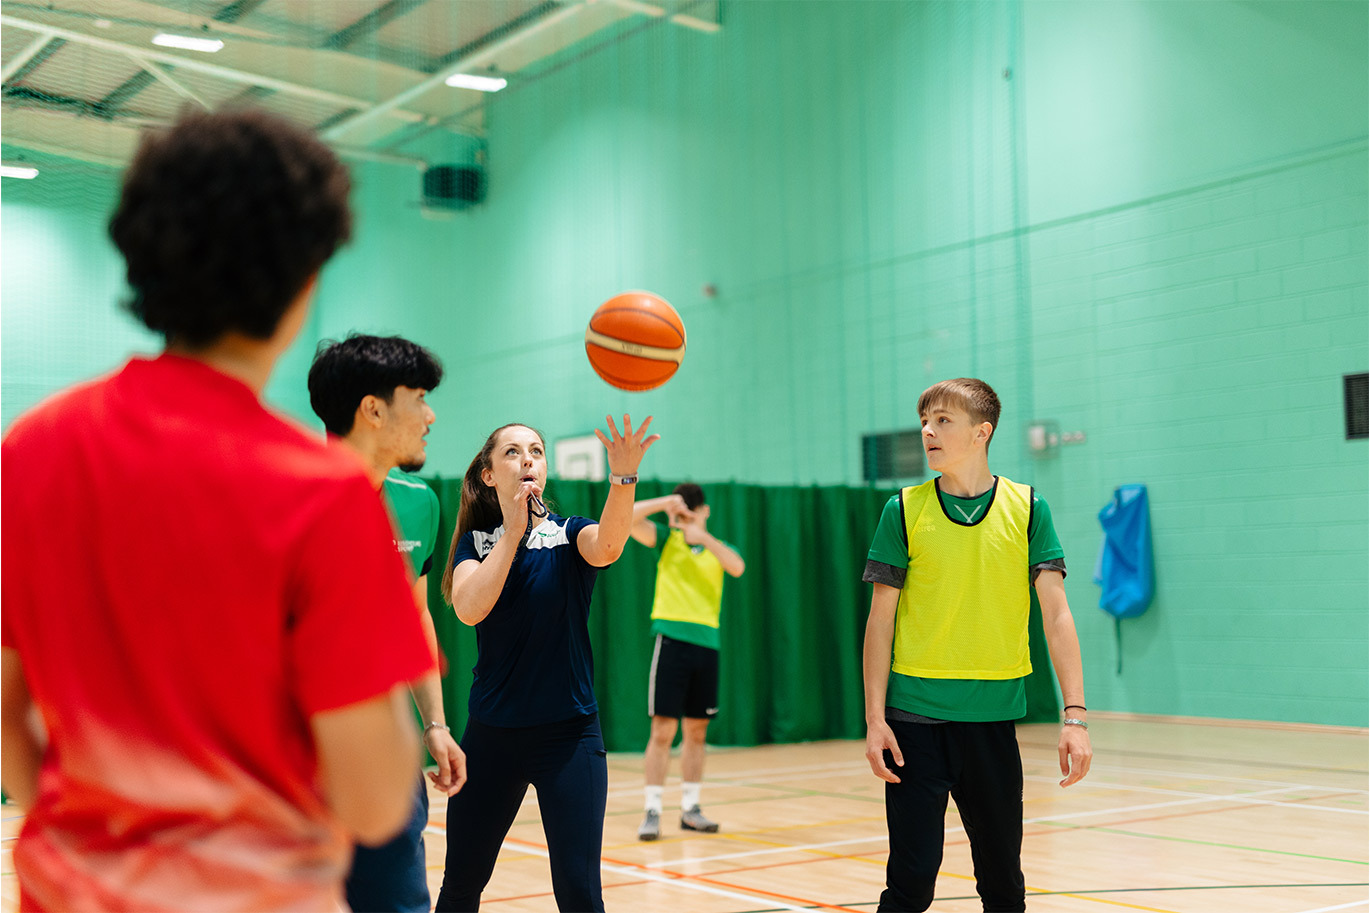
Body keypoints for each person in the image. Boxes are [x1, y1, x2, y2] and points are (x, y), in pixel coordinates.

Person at [0, 109, 433, 911]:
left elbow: (6, 713)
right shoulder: (325, 493)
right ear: (306, 280)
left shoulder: (31, 449)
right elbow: (375, 800)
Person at [861, 378, 1092, 913]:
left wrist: (1074, 716)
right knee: (911, 885)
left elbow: (1056, 615)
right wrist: (875, 719)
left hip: (992, 725)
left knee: (1004, 887)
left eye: (943, 420)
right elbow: (879, 622)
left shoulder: (1028, 508)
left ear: (981, 432)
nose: (927, 431)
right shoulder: (903, 509)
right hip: (914, 725)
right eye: (925, 420)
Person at [434, 416, 657, 913]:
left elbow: (610, 545)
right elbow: (470, 607)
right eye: (511, 452)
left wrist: (623, 477)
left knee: (579, 893)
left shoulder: (569, 534)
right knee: (460, 886)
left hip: (569, 737)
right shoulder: (476, 545)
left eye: (535, 450)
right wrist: (512, 532)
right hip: (492, 737)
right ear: (489, 475)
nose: (527, 459)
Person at [308, 333, 468, 913]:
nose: (431, 415)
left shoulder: (419, 501)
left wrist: (436, 725)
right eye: (419, 397)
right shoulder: (277, 492)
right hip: (292, 762)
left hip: (389, 752)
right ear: (373, 410)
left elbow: (416, 615)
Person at [629, 484, 745, 840]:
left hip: (706, 645)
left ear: (705, 511)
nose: (686, 518)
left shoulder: (719, 548)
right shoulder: (665, 541)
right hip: (672, 642)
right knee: (663, 731)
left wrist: (703, 536)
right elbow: (629, 519)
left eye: (693, 511)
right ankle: (652, 811)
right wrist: (666, 505)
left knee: (697, 731)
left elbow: (737, 567)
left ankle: (691, 809)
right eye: (681, 512)